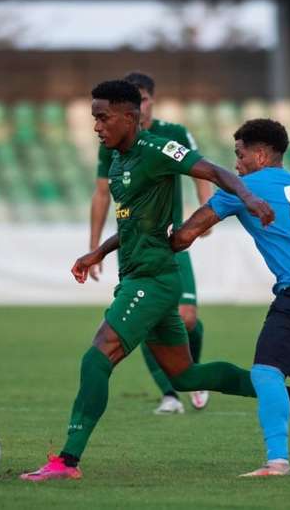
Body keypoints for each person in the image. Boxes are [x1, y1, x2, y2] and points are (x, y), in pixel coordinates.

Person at [20, 81, 290, 482]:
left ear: (130, 116)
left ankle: (67, 462)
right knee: (185, 376)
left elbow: (213, 169)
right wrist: (100, 252)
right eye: (94, 118)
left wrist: (248, 198)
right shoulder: (116, 160)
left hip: (154, 279)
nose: (97, 126)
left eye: (103, 117)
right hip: (137, 274)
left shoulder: (157, 150)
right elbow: (133, 222)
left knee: (97, 356)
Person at [170, 118, 290, 475]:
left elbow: (187, 234)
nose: (236, 164)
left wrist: (153, 237)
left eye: (239, 155)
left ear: (259, 155)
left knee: (266, 372)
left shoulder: (244, 188)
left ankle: (277, 461)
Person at [89, 72, 212, 414]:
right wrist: (95, 247)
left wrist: (205, 217)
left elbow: (202, 172)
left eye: (143, 100)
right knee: (145, 319)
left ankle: (192, 373)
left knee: (186, 318)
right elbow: (101, 193)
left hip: (170, 240)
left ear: (151, 101)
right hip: (135, 243)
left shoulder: (171, 134)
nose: (140, 107)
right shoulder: (112, 142)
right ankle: (170, 394)